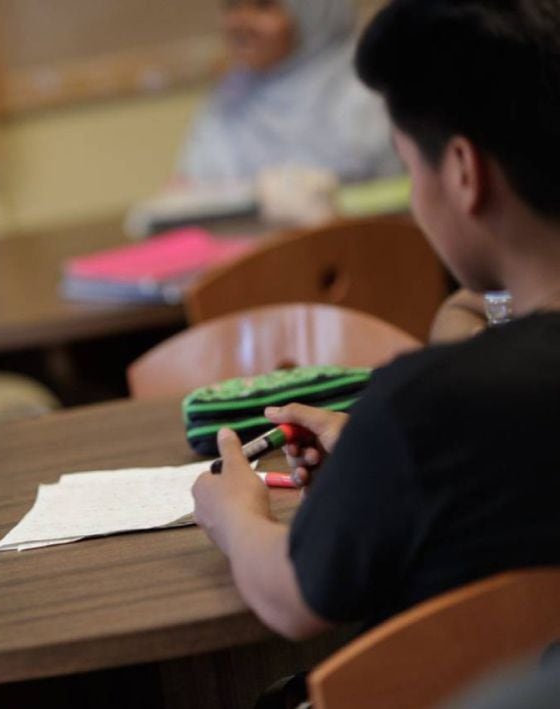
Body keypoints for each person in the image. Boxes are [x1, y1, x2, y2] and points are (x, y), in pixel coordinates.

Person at [192, 0, 560, 642]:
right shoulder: (428, 420)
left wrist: (236, 516)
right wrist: (376, 457)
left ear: (464, 174)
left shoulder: (428, 408)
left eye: (411, 166)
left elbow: (292, 599)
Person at [178, 0, 402, 184]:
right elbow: (190, 185)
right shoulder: (229, 98)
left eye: (263, 6)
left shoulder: (365, 92)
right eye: (232, 6)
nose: (240, 22)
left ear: (313, 14)